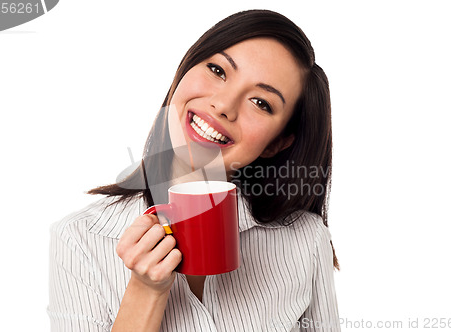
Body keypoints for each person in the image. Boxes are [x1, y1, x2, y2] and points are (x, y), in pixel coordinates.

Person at [48, 9, 341, 331]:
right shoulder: (79, 237)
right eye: (217, 70)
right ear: (184, 70)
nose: (224, 105)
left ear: (277, 143)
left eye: (261, 103)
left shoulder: (307, 239)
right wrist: (146, 291)